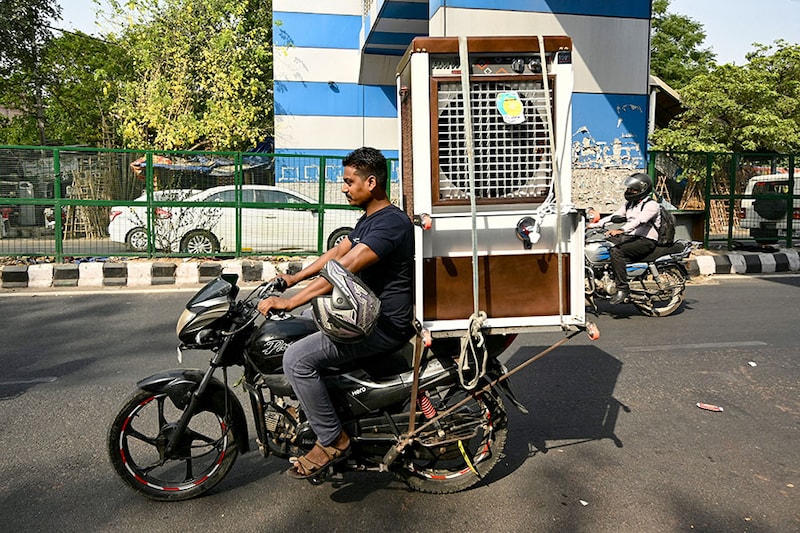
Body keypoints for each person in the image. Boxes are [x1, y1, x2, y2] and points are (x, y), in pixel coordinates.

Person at [257, 146, 415, 479]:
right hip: (362, 317)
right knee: (297, 333)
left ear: (371, 182)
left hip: (382, 326)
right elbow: (339, 250)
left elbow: (343, 269)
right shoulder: (372, 219)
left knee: (297, 360)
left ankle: (332, 440)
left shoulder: (391, 224)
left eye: (348, 181)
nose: (343, 188)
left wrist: (290, 301)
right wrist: (293, 278)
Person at [587, 172, 660, 305]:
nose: (630, 191)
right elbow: (613, 216)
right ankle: (605, 276)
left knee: (617, 251)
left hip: (646, 241)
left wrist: (621, 230)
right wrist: (593, 225)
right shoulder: (629, 204)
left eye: (633, 189)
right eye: (629, 189)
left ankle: (622, 289)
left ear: (642, 190)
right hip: (630, 237)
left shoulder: (651, 205)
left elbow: (639, 221)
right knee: (603, 244)